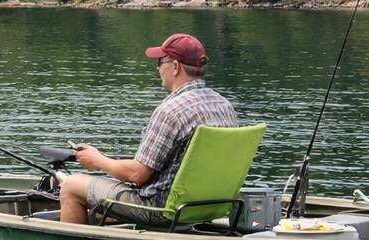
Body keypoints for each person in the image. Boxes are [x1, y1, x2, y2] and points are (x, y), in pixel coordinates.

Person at [58, 33, 239, 225]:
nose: (158, 68)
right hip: (209, 206)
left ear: (175, 66)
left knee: (71, 185)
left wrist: (97, 159)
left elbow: (137, 175)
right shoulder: (224, 106)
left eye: (160, 62)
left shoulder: (171, 111)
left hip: (161, 209)